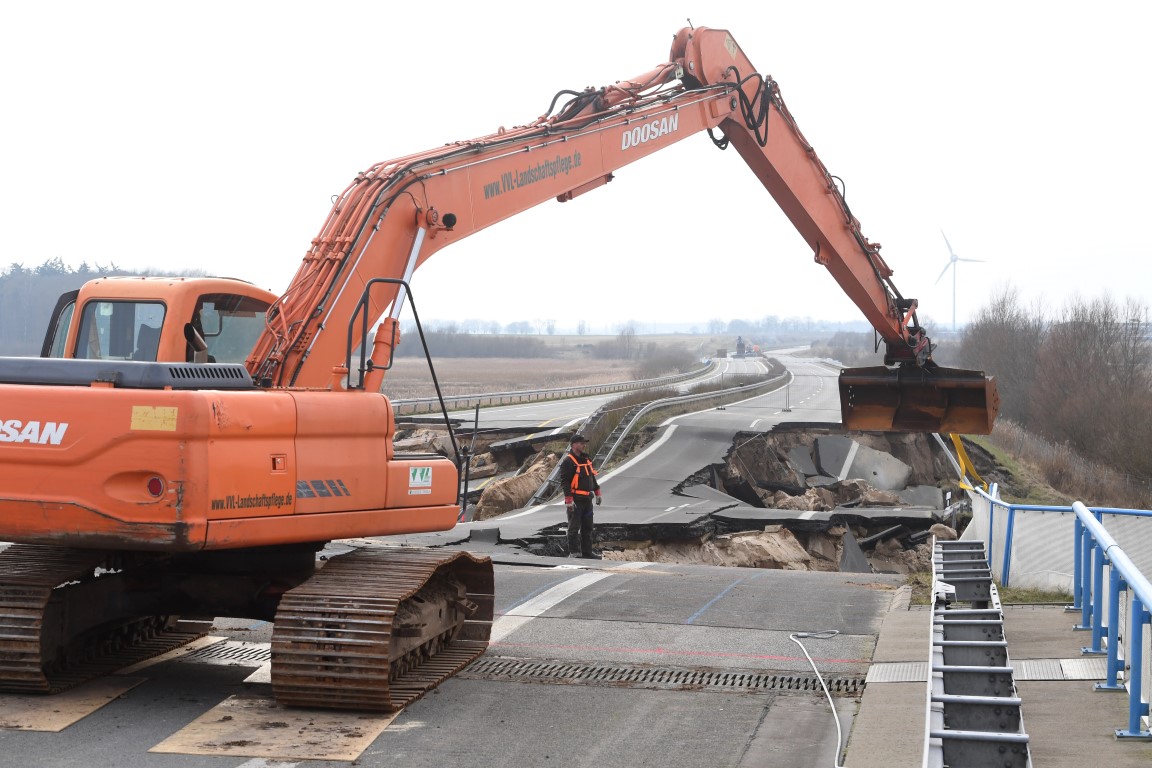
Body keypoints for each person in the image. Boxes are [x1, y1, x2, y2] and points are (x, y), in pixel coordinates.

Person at [560, 434, 602, 558]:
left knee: (588, 527)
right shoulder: (568, 461)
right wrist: (569, 500)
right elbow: (565, 482)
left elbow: (591, 476)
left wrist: (597, 492)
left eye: (584, 443)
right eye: (581, 443)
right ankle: (574, 552)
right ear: (574, 445)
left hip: (588, 499)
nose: (584, 445)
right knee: (574, 528)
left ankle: (587, 552)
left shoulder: (586, 459)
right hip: (576, 501)